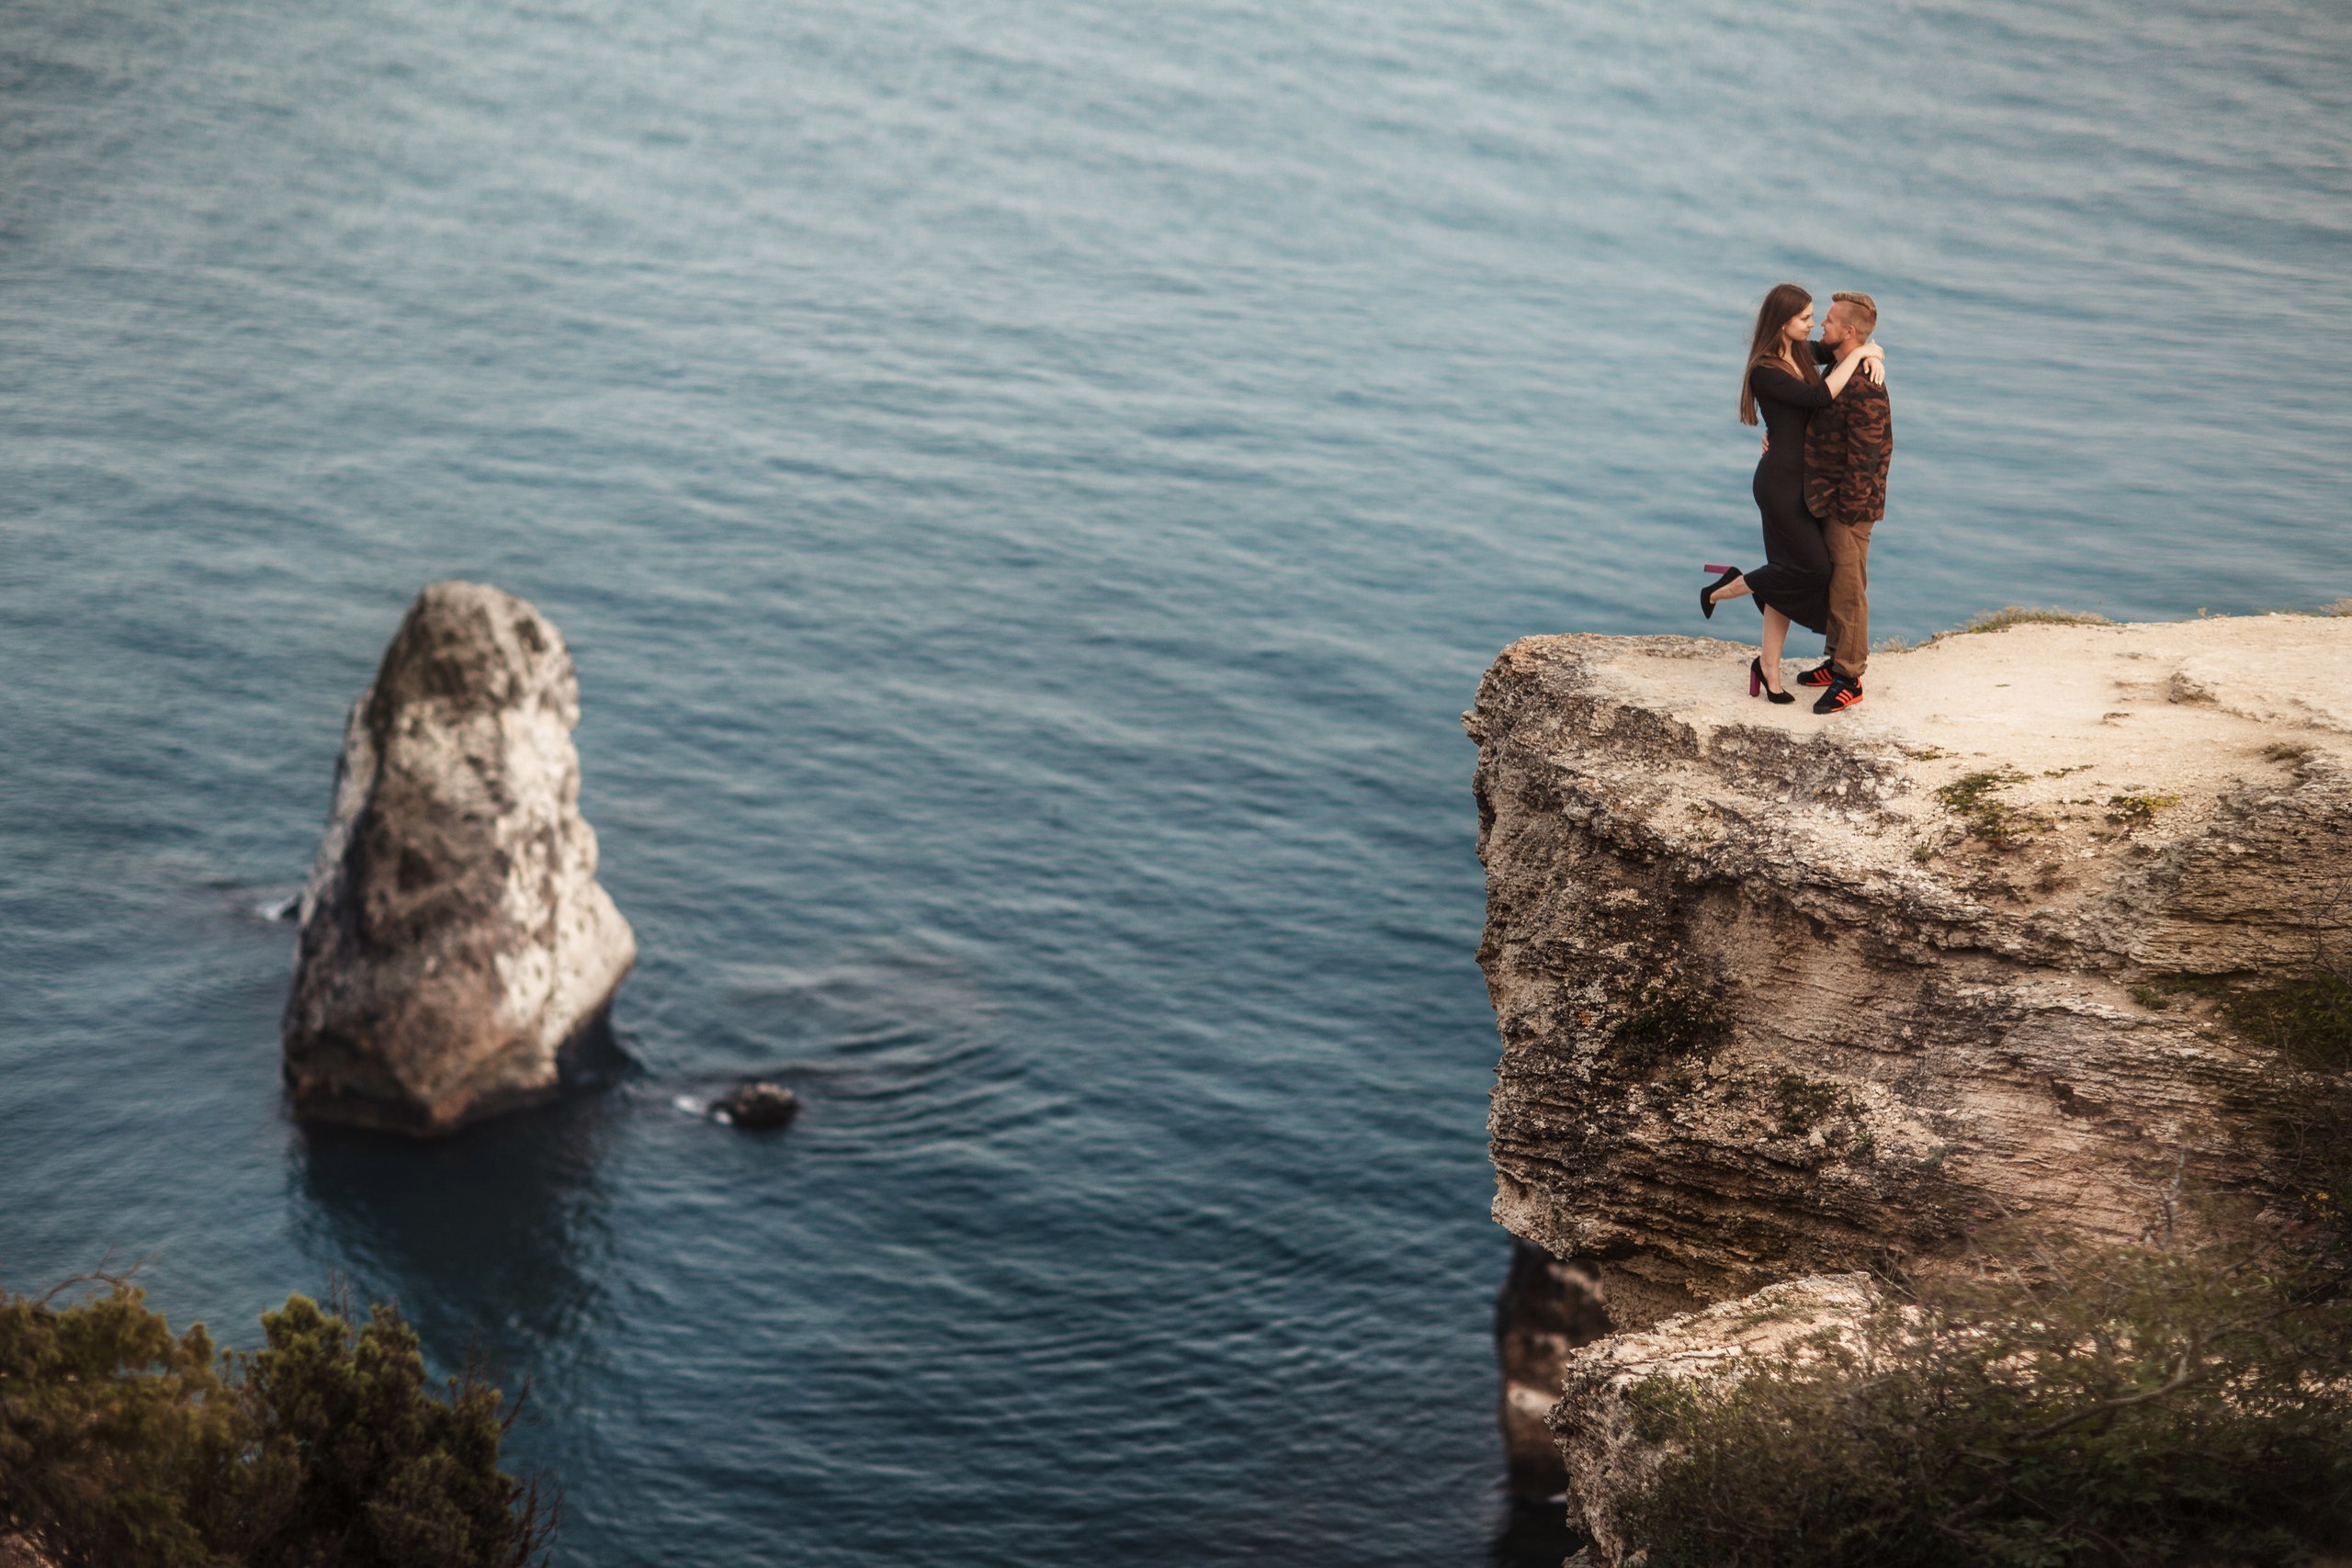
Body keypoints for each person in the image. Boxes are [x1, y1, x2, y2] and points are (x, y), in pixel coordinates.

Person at [1699, 283, 1880, 702]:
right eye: (1805, 319)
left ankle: (1768, 669)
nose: (1814, 324)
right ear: (1783, 323)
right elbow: (1818, 396)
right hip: (1779, 484)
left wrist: (1872, 350)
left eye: (1815, 316)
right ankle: (1722, 590)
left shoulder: (1800, 352)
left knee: (1790, 573)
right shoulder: (1765, 369)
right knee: (1812, 569)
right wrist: (1863, 355)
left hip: (1804, 485)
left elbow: (1843, 343)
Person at [1793, 292, 1894, 714]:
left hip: (1848, 507)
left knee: (1849, 590)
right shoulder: (1842, 364)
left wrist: (1845, 510)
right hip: (1830, 499)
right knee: (1837, 583)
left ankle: (1849, 677)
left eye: (1830, 321)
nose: (1822, 326)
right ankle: (1835, 659)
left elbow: (1869, 454)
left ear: (1849, 332)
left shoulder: (1866, 383)